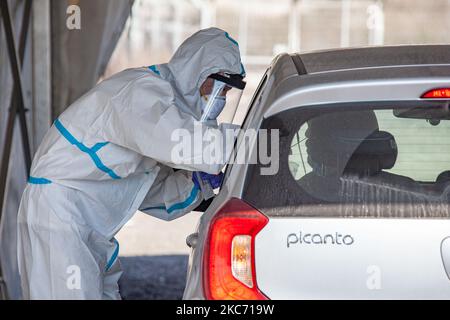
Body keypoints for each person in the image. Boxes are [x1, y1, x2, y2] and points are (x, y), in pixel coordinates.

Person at [17, 27, 246, 299]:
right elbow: (183, 143)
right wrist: (257, 143)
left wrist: (195, 186)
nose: (220, 98)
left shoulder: (164, 109)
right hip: (61, 219)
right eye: (218, 87)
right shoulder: (141, 92)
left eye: (227, 93)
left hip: (88, 223)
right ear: (196, 72)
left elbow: (145, 188)